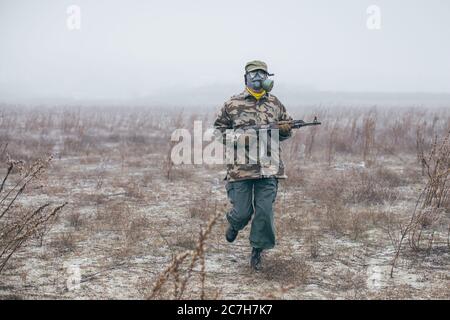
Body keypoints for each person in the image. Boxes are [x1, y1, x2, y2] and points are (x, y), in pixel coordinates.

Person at [213, 60, 293, 271]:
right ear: (246, 77)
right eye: (253, 74)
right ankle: (234, 224)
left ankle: (257, 251)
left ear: (268, 78)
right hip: (241, 169)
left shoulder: (275, 103)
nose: (258, 78)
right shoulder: (232, 104)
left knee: (264, 211)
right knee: (242, 212)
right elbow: (218, 132)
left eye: (262, 74)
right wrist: (242, 138)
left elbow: (287, 128)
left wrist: (284, 129)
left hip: (269, 167)